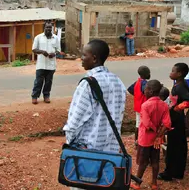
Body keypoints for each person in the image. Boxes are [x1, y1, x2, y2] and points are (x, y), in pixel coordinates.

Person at [63, 40, 126, 190]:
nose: (81, 58)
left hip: (87, 154)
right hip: (110, 154)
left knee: (82, 184)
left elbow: (75, 121)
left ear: (95, 58)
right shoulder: (118, 81)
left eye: (84, 55)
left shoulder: (88, 83)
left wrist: (70, 143)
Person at [131, 80, 171, 190]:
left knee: (143, 162)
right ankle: (154, 183)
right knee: (155, 161)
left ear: (151, 91)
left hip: (145, 139)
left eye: (146, 89)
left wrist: (154, 130)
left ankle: (137, 183)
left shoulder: (145, 105)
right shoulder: (164, 105)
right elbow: (167, 123)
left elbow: (147, 124)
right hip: (157, 140)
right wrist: (158, 135)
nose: (144, 90)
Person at [158, 63, 189, 181]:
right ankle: (178, 172)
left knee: (173, 147)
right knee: (180, 145)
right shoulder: (180, 84)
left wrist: (177, 108)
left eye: (173, 71)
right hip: (178, 119)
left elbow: (187, 100)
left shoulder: (179, 87)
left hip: (175, 120)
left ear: (179, 74)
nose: (171, 73)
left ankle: (169, 173)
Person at [31, 21, 61, 104]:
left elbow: (58, 50)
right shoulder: (38, 37)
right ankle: (34, 96)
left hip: (51, 64)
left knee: (48, 81)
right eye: (47, 27)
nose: (48, 29)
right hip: (41, 64)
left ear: (52, 28)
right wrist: (42, 52)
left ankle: (46, 96)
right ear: (44, 28)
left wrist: (54, 54)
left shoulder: (56, 38)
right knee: (38, 81)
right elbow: (34, 49)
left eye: (50, 27)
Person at [128, 66, 151, 147]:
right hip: (143, 107)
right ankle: (142, 141)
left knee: (137, 124)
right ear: (146, 74)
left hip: (137, 106)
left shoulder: (137, 81)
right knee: (143, 124)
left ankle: (136, 142)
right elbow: (147, 92)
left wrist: (137, 96)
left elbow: (130, 89)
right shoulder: (145, 83)